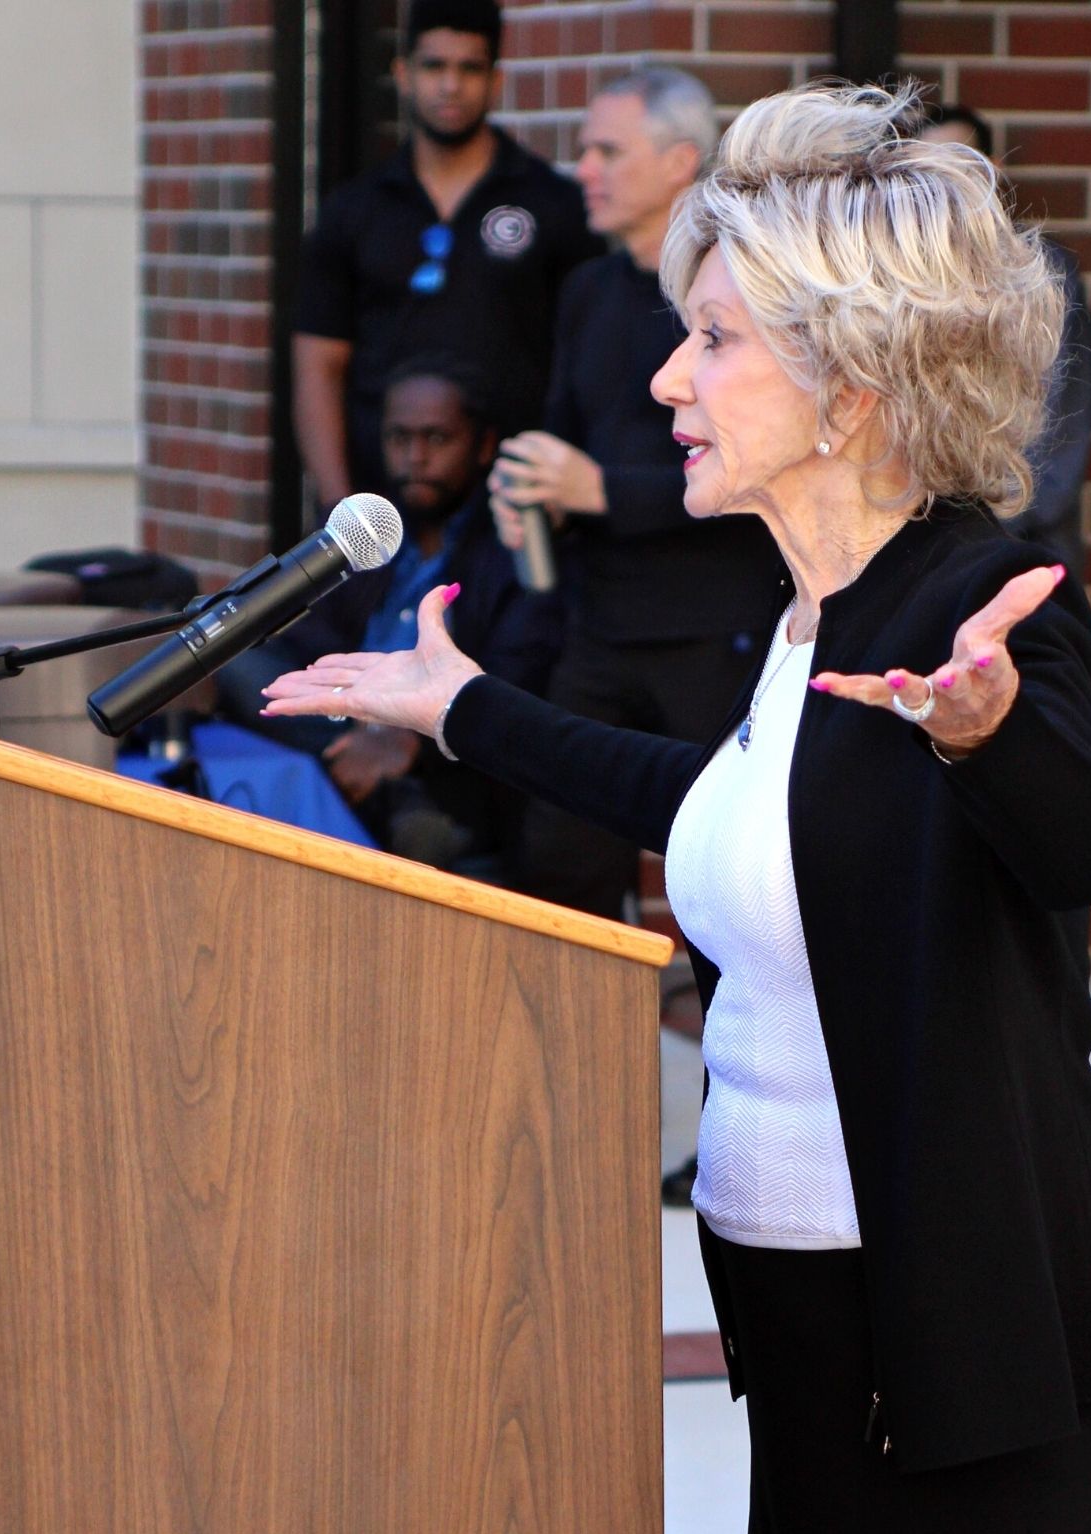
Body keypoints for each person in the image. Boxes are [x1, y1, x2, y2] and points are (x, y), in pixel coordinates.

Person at [262, 80, 1091, 1534]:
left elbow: (1088, 839)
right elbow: (732, 808)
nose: (668, 382)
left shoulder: (975, 602)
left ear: (845, 384)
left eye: (713, 341)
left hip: (989, 1347)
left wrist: (984, 730)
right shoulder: (806, 616)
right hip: (826, 1339)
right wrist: (464, 708)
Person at [489, 68, 776, 921]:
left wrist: (598, 488)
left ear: (679, 161)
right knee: (562, 865)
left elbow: (753, 468)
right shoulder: (587, 290)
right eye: (582, 150)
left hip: (713, 632)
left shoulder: (733, 300)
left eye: (607, 150)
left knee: (724, 873)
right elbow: (562, 436)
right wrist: (530, 494)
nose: (584, 169)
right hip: (599, 624)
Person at [217, 356, 560, 869]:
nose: (414, 457)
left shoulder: (508, 551)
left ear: (483, 446)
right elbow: (308, 644)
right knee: (234, 655)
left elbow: (516, 680)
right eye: (399, 439)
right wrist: (363, 734)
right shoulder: (372, 539)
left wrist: (406, 740)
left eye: (436, 439)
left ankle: (401, 799)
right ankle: (391, 800)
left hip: (443, 757)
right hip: (342, 720)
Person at [290, 0, 600, 513]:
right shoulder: (355, 210)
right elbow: (319, 365)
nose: (450, 85)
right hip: (384, 509)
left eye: (469, 68)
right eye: (434, 66)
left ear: (495, 81)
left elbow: (584, 363)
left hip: (514, 510)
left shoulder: (554, 204)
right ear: (403, 74)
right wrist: (338, 505)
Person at [923, 100, 1091, 580]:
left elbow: (1062, 427)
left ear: (994, 170)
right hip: (924, 554)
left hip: (1027, 549)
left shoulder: (1044, 272)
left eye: (959, 162)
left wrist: (982, 528)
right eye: (926, 167)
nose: (944, 180)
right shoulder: (904, 280)